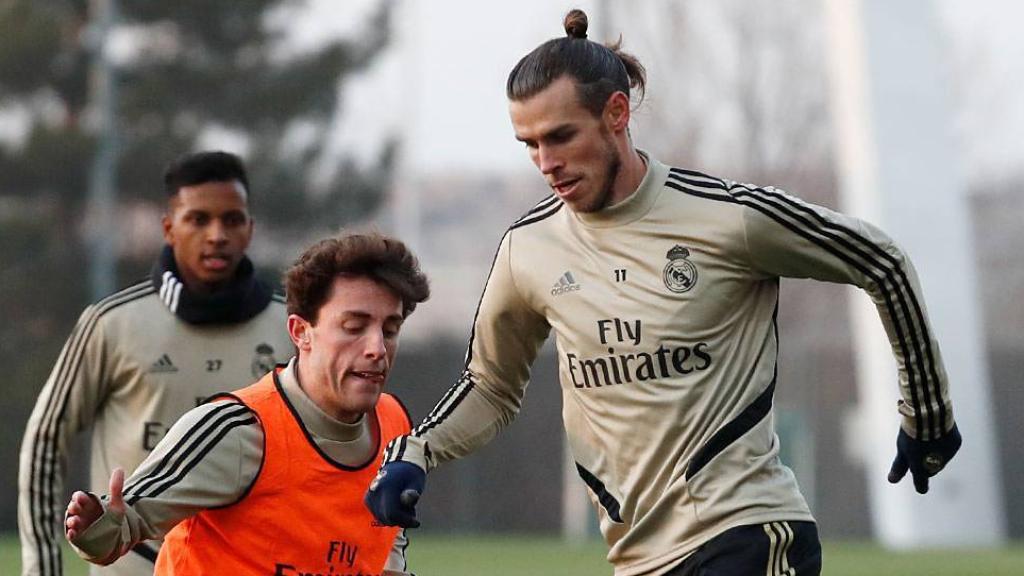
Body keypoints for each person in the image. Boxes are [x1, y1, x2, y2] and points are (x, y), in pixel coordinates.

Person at [365, 9, 962, 576]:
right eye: (529, 144)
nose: (545, 161)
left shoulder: (728, 218)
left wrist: (927, 412)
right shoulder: (529, 249)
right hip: (637, 557)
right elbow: (491, 385)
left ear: (617, 114)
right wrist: (417, 450)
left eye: (561, 136)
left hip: (747, 532)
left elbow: (880, 260)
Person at [63, 232, 430, 576]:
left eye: (390, 330)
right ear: (301, 332)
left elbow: (386, 544)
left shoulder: (395, 426)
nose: (377, 348)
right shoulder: (236, 429)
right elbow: (123, 523)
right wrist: (98, 525)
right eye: (354, 327)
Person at [19, 151, 294, 576]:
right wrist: (42, 566)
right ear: (169, 228)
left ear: (250, 230)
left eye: (232, 220)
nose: (217, 234)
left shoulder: (293, 328)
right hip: (131, 564)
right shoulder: (112, 323)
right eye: (199, 219)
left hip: (249, 564)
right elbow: (44, 438)